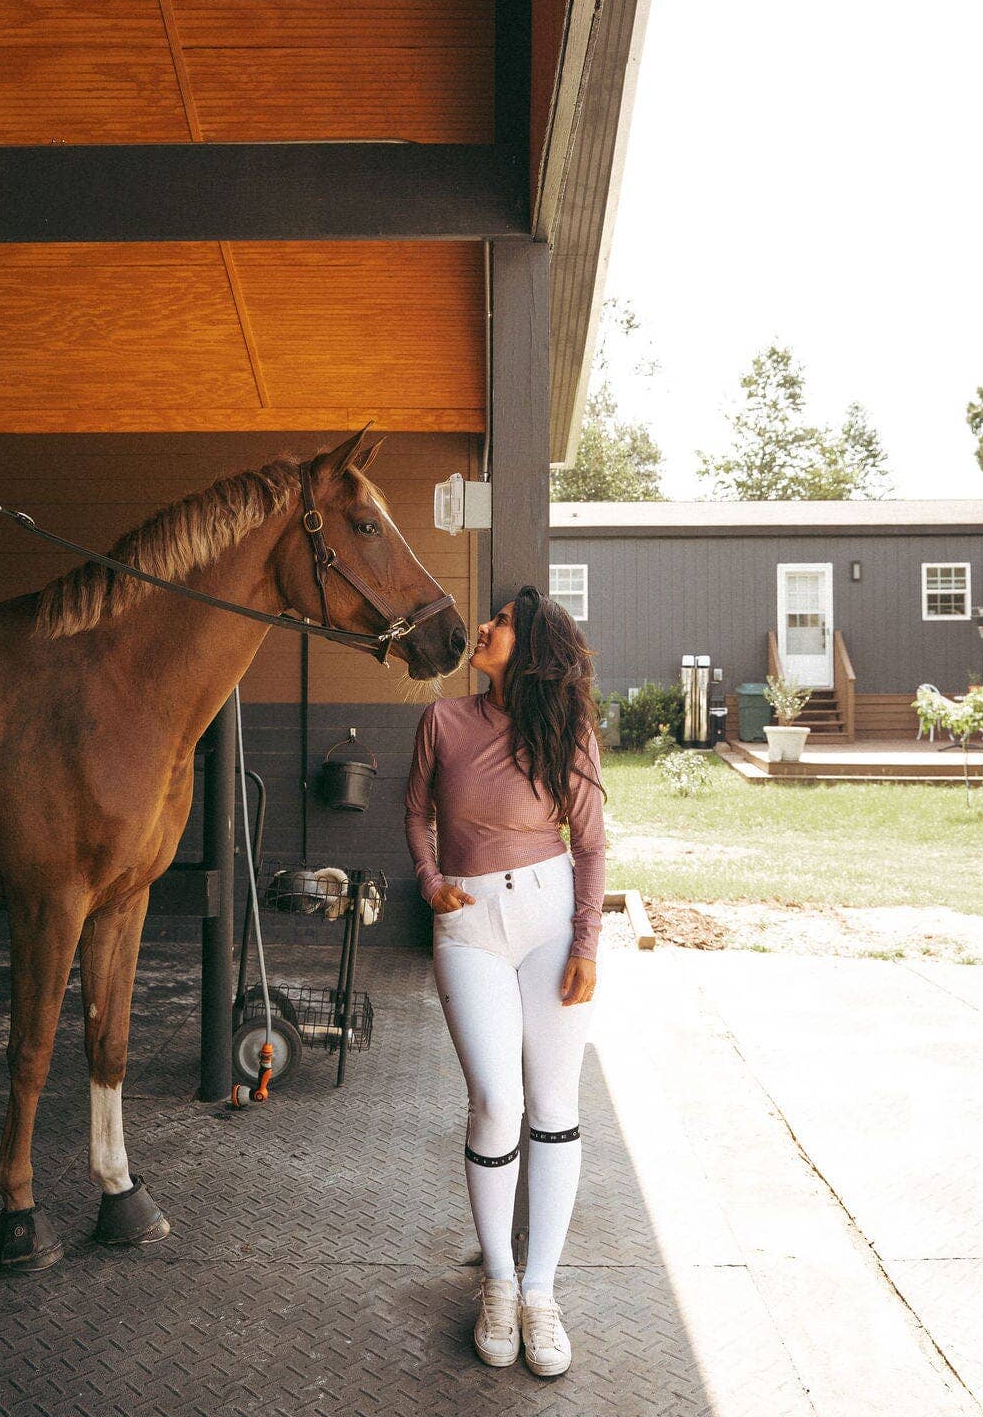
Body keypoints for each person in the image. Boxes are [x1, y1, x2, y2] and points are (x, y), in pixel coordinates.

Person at [404, 585, 607, 1378]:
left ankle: (540, 1292)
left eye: (501, 624)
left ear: (531, 650)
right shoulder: (443, 721)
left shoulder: (568, 729)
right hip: (471, 926)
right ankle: (497, 1280)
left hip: (553, 921)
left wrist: (586, 941)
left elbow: (589, 845)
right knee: (496, 1101)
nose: (483, 628)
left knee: (555, 1106)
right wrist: (428, 882)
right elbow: (416, 813)